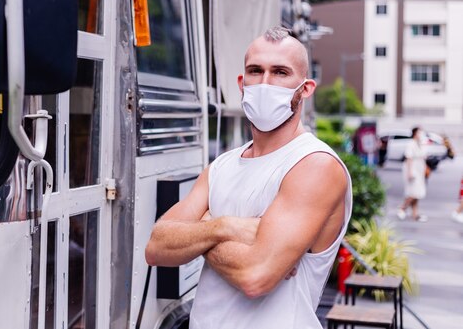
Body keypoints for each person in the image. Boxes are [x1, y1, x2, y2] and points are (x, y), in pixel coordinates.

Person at [145, 27, 352, 329]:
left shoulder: (315, 164)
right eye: (256, 71)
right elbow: (156, 247)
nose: (265, 83)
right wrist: (223, 226)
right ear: (242, 83)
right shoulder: (222, 166)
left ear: (305, 88)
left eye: (280, 72)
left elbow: (255, 276)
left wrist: (200, 229)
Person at [397, 127, 428, 222]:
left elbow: (423, 157)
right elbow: (409, 158)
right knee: (414, 193)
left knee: (417, 193)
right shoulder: (411, 144)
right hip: (413, 170)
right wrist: (410, 172)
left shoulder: (420, 144)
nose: (421, 134)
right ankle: (402, 208)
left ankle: (415, 214)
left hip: (419, 170)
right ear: (415, 133)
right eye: (419, 132)